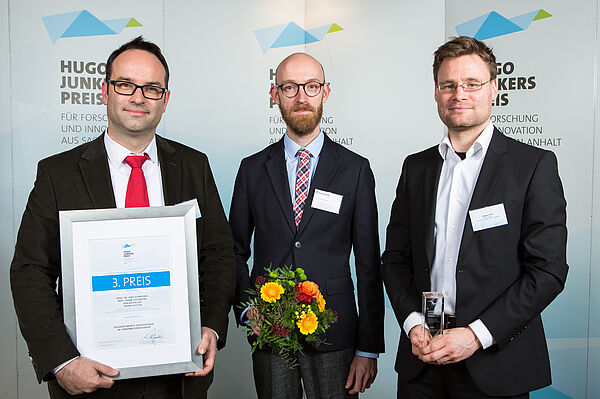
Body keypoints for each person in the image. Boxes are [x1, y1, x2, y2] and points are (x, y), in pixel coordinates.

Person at [10, 36, 235, 399]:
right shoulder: (58, 174)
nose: (138, 97)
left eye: (151, 88)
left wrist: (211, 326)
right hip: (89, 377)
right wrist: (62, 361)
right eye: (126, 84)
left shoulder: (195, 166)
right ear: (105, 92)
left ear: (165, 100)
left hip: (178, 376)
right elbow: (29, 271)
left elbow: (219, 255)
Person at [381, 36, 568, 398]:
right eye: (448, 85)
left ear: (494, 89)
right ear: (436, 92)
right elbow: (395, 260)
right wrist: (412, 323)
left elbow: (548, 271)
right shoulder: (416, 168)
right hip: (423, 361)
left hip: (496, 362)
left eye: (471, 84)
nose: (459, 94)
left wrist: (476, 335)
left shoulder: (532, 166)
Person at [229, 53, 384, 398]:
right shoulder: (252, 170)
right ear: (275, 95)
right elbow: (233, 251)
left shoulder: (355, 170)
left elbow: (369, 264)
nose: (301, 97)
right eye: (290, 87)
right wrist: (245, 310)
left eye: (311, 86)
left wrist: (368, 347)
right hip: (271, 330)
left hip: (336, 334)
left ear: (325, 92)